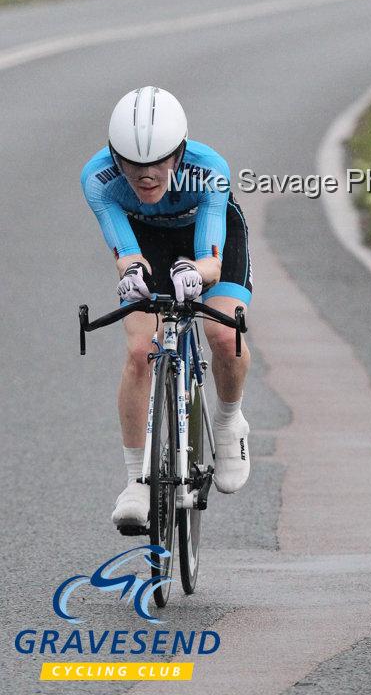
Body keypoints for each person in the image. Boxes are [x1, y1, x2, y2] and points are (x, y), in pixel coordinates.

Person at [81, 86, 252, 531]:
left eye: (159, 161)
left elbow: (211, 261)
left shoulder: (209, 169)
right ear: (114, 158)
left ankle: (230, 421)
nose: (146, 175)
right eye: (132, 164)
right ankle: (137, 481)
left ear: (179, 153)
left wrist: (197, 274)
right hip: (147, 241)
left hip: (208, 239)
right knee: (141, 351)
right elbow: (125, 251)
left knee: (224, 334)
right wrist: (133, 272)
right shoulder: (97, 178)